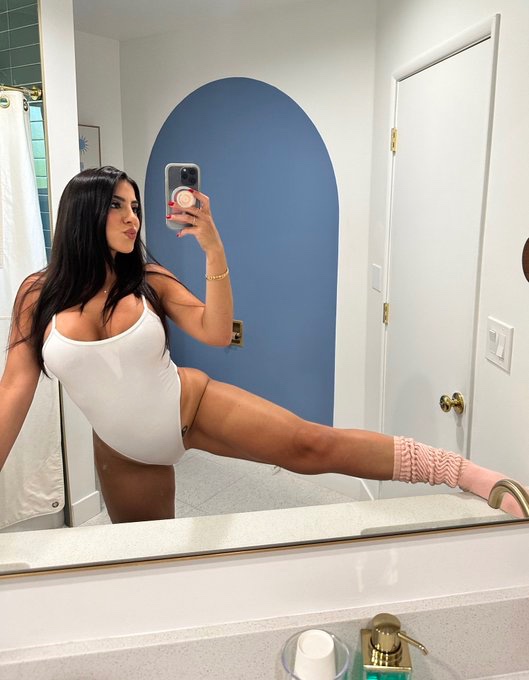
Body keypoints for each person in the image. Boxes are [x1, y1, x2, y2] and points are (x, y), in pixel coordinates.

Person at [0, 166, 523, 523]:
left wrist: (213, 248)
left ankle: (467, 473)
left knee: (312, 445)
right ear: (81, 213)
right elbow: (13, 393)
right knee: (153, 562)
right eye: (117, 205)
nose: (132, 217)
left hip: (192, 407)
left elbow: (215, 332)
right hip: (124, 451)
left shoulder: (148, 280)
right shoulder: (36, 295)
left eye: (135, 205)